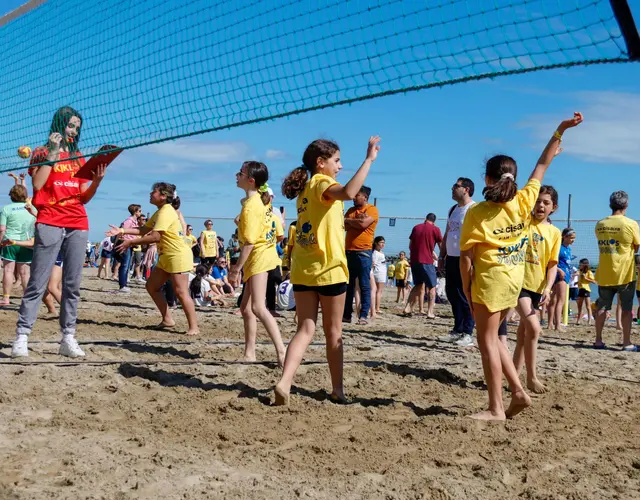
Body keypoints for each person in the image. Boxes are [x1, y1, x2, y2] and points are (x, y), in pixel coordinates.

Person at [460, 111, 583, 421]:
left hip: (490, 282)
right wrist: (560, 130)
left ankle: (495, 408)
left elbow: (466, 258)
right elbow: (542, 164)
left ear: (487, 180)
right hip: (514, 280)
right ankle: (518, 392)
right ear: (514, 177)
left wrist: (465, 287)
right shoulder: (526, 199)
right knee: (498, 339)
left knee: (486, 342)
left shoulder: (476, 213)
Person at [274, 136, 381, 405]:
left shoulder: (303, 190)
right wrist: (368, 160)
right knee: (334, 333)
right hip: (329, 269)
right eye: (336, 161)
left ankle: (285, 382)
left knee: (304, 329)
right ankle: (338, 390)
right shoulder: (322, 183)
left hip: (303, 270)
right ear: (321, 163)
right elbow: (347, 192)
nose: (340, 166)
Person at [12, 106, 107, 358]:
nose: (74, 130)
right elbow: (38, 184)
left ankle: (68, 337)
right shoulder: (42, 152)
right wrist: (52, 154)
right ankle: (22, 336)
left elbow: (84, 197)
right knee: (37, 281)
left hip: (77, 221)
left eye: (77, 126)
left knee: (73, 284)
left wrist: (96, 181)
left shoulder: (78, 156)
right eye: (70, 125)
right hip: (50, 219)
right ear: (59, 124)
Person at [107, 182, 199, 335]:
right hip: (166, 255)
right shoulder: (160, 211)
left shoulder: (167, 211)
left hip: (177, 255)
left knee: (181, 292)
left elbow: (156, 236)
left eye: (154, 192)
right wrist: (122, 230)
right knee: (151, 286)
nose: (150, 194)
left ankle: (194, 327)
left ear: (163, 196)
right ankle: (167, 319)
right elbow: (144, 229)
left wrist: (131, 242)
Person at [227, 161, 287, 365]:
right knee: (245, 308)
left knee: (259, 307)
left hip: (259, 257)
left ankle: (281, 351)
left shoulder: (252, 206)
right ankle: (250, 353)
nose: (237, 175)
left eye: (240, 173)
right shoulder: (252, 203)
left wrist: (236, 269)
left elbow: (250, 242)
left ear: (250, 180)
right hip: (259, 256)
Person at [512, 185, 561, 394]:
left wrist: (548, 289)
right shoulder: (523, 223)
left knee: (524, 333)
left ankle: (513, 375)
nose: (540, 205)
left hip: (538, 287)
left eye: (546, 202)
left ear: (553, 207)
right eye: (538, 200)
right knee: (534, 328)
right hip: (518, 283)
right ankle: (531, 377)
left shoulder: (554, 233)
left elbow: (552, 264)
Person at [593, 190, 640, 351]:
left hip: (605, 272)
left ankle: (598, 340)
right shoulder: (631, 224)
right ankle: (627, 343)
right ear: (626, 204)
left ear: (610, 204)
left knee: (602, 308)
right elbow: (636, 247)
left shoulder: (600, 224)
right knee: (627, 309)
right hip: (625, 273)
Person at [438, 178, 475, 346]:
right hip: (451, 258)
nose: (452, 189)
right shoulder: (453, 209)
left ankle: (468, 332)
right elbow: (447, 233)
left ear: (466, 189)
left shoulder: (473, 209)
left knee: (465, 295)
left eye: (456, 186)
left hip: (466, 258)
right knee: (452, 294)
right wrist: (441, 256)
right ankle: (457, 329)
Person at [343, 185, 379, 324]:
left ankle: (363, 315)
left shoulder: (372, 210)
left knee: (364, 284)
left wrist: (351, 221)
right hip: (349, 251)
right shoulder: (351, 210)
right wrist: (354, 221)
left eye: (356, 195)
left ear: (365, 197)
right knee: (348, 285)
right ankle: (346, 315)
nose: (353, 197)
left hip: (363, 252)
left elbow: (363, 224)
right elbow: (343, 225)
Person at [0, 184, 36, 305]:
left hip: (9, 242)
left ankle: (6, 298)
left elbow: (2, 229)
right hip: (27, 242)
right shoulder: (32, 208)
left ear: (11, 196)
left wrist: (0, 243)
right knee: (25, 273)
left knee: (8, 271)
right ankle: (28, 300)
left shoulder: (6, 209)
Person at [404, 213, 442, 317]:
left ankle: (407, 308)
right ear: (434, 221)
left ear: (425, 219)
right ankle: (430, 312)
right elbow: (441, 245)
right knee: (432, 287)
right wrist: (441, 257)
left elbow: (410, 245)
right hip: (427, 261)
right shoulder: (435, 229)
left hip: (415, 260)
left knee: (418, 285)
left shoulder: (416, 227)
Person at [547, 228, 575, 331]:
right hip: (560, 275)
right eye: (571, 238)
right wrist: (559, 270)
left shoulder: (568, 249)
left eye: (574, 238)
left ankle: (550, 324)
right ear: (565, 237)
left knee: (554, 299)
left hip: (565, 274)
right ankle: (557, 325)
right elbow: (550, 261)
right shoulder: (559, 247)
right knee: (560, 300)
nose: (573, 240)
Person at [112, 204, 141, 293]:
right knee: (124, 265)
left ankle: (124, 284)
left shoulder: (134, 222)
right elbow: (121, 233)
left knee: (127, 265)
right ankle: (122, 285)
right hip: (125, 244)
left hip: (130, 245)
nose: (140, 212)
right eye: (139, 211)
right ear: (135, 212)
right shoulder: (129, 221)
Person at [576, 258, 596, 326]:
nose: (579, 265)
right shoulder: (580, 271)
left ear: (584, 265)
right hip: (580, 289)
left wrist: (586, 278)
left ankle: (589, 320)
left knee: (588, 306)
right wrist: (577, 282)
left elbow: (594, 281)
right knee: (579, 306)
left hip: (586, 290)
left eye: (580, 264)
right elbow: (580, 279)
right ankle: (579, 319)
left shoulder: (589, 272)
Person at [372, 236, 387, 315]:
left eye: (383, 243)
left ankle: (376, 307)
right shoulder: (375, 253)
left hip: (381, 272)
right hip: (379, 273)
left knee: (378, 291)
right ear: (376, 243)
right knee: (379, 291)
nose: (382, 244)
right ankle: (377, 308)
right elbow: (373, 264)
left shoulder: (380, 252)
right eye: (381, 242)